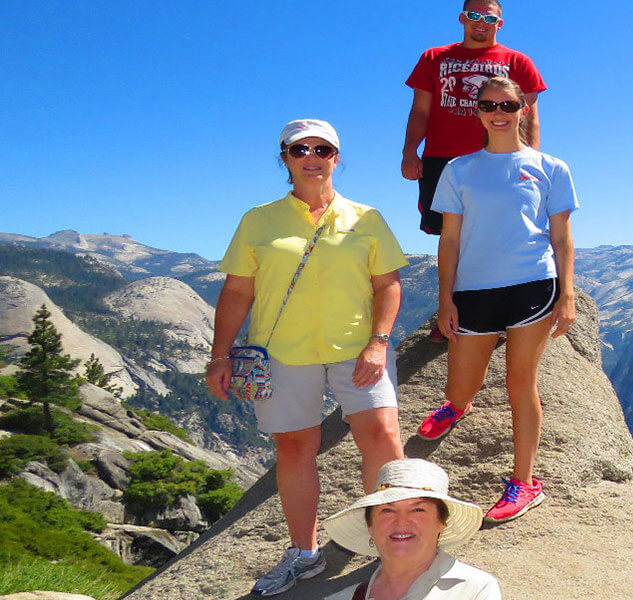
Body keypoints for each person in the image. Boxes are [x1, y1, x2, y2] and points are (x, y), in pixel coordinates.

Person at [206, 119, 408, 596]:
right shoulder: (259, 220)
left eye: (323, 149)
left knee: (381, 436)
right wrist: (220, 355)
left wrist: (379, 340)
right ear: (285, 158)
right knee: (295, 448)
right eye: (300, 150)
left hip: (357, 347)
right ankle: (305, 553)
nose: (312, 157)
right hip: (283, 353)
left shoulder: (366, 217)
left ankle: (398, 543)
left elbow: (388, 284)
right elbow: (237, 291)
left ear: (337, 158)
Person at [416, 76, 577, 524]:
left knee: (520, 385)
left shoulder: (551, 167)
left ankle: (524, 483)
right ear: (478, 112)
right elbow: (449, 240)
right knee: (459, 387)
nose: (498, 111)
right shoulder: (460, 169)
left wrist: (566, 294)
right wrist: (444, 299)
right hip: (474, 290)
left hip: (532, 285)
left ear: (523, 107)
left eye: (508, 103)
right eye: (488, 105)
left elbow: (562, 236)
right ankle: (458, 405)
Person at [402, 0, 547, 237]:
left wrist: (531, 161)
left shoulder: (519, 62)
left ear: (499, 24)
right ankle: (451, 277)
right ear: (462, 18)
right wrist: (409, 152)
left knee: (501, 231)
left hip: (499, 159)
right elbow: (420, 111)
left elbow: (529, 117)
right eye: (474, 16)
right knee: (448, 233)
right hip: (442, 160)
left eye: (489, 18)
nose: (482, 23)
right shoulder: (433, 57)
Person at [323, 459, 498, 600]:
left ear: (442, 522)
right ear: (370, 525)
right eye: (387, 510)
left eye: (418, 510)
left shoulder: (474, 589)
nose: (401, 522)